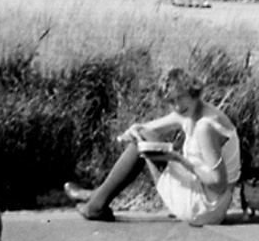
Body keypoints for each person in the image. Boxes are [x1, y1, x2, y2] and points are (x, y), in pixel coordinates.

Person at [64, 67, 241, 226]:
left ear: (193, 91)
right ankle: (97, 197)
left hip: (205, 207)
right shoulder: (191, 111)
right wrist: (135, 128)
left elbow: (219, 184)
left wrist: (179, 159)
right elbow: (146, 128)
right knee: (141, 136)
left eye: (180, 97)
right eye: (171, 101)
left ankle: (95, 204)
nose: (177, 106)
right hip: (212, 200)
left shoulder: (205, 126)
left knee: (142, 140)